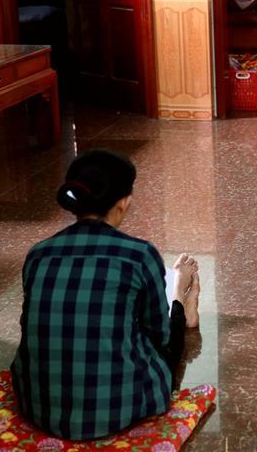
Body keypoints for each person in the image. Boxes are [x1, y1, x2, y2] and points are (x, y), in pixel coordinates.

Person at [11, 149, 201, 441]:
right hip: (119, 409)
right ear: (124, 203)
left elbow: (29, 327)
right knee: (164, 346)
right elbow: (158, 335)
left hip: (37, 408)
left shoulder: (38, 253)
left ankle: (179, 301)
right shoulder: (139, 254)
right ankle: (179, 298)